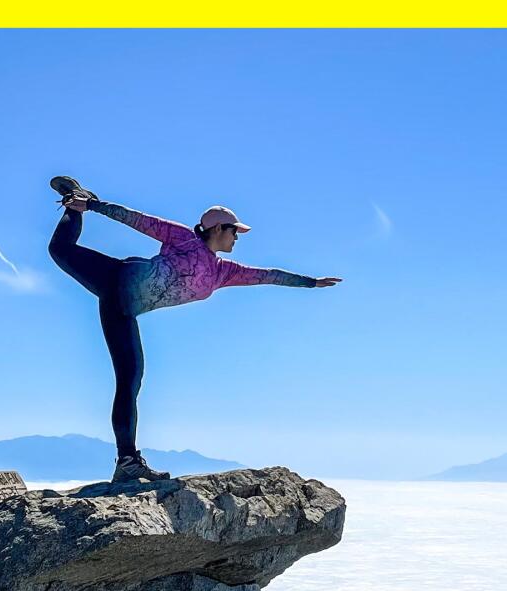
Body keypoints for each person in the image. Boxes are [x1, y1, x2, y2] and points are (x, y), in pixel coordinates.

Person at [45, 176, 342, 483]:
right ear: (217, 229)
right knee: (59, 249)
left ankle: (128, 463)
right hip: (114, 276)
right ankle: (74, 201)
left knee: (131, 380)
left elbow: (268, 275)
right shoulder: (183, 238)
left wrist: (310, 282)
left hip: (122, 311)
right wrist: (92, 205)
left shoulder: (222, 273)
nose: (237, 239)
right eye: (234, 231)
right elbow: (137, 219)